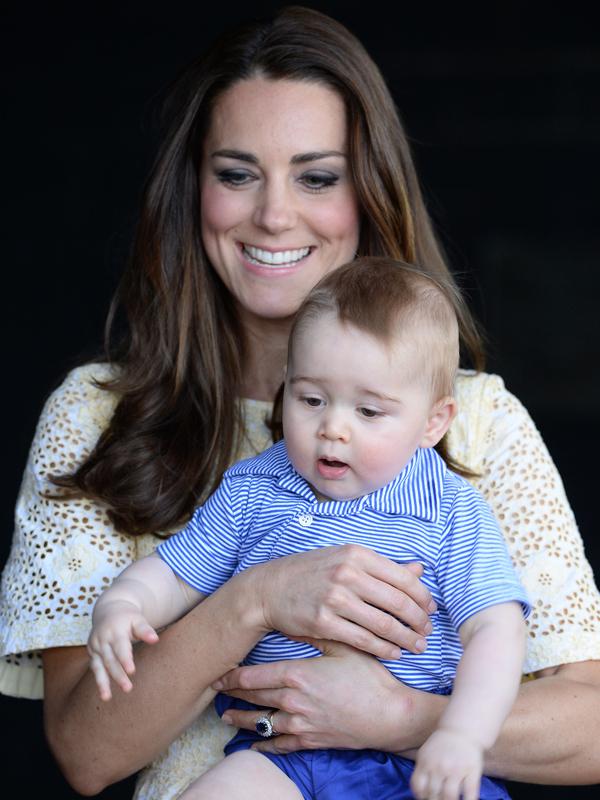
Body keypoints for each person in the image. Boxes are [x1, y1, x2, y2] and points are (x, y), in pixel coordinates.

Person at [0, 7, 599, 800]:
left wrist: (402, 718)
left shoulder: (484, 424)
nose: (275, 215)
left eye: (317, 176)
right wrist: (255, 600)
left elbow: (589, 726)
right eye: (237, 173)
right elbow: (85, 753)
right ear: (194, 189)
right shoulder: (99, 416)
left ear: (370, 190)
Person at [88, 258, 530, 800]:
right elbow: (176, 575)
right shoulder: (254, 489)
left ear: (433, 422)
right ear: (286, 388)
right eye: (311, 400)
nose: (333, 429)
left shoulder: (450, 511)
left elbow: (496, 631)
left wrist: (462, 733)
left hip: (414, 764)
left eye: (369, 412)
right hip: (282, 756)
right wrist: (123, 605)